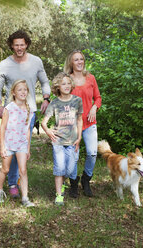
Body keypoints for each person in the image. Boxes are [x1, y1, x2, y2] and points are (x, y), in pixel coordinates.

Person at [0, 30, 51, 198]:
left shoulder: (36, 61)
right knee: (11, 145)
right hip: (10, 112)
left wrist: (46, 98)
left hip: (29, 112)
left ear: (26, 45)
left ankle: (16, 181)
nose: (19, 48)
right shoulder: (4, 64)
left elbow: (45, 81)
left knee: (22, 145)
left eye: (22, 44)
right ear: (12, 45)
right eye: (16, 45)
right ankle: (12, 182)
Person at [64, 50, 102, 197]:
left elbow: (98, 97)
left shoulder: (91, 78)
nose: (79, 62)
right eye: (76, 60)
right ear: (71, 63)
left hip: (90, 122)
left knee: (92, 153)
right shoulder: (68, 79)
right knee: (73, 156)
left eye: (81, 59)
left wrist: (94, 107)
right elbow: (61, 98)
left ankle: (86, 179)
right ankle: (74, 182)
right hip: (72, 125)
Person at [41, 72, 83, 205]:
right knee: (59, 168)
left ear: (72, 85)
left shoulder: (77, 101)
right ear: (57, 86)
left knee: (70, 170)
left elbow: (80, 120)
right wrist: (48, 131)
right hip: (58, 141)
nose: (66, 86)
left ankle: (64, 183)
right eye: (63, 83)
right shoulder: (54, 103)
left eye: (68, 83)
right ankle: (59, 195)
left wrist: (79, 137)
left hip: (72, 141)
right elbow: (43, 122)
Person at [0, 80, 35, 207]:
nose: (23, 92)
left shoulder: (29, 109)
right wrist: (2, 146)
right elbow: (2, 128)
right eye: (19, 90)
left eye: (25, 89)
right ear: (13, 92)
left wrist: (28, 148)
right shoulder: (9, 108)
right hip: (9, 144)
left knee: (23, 170)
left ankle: (25, 198)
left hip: (21, 145)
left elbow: (28, 130)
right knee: (5, 169)